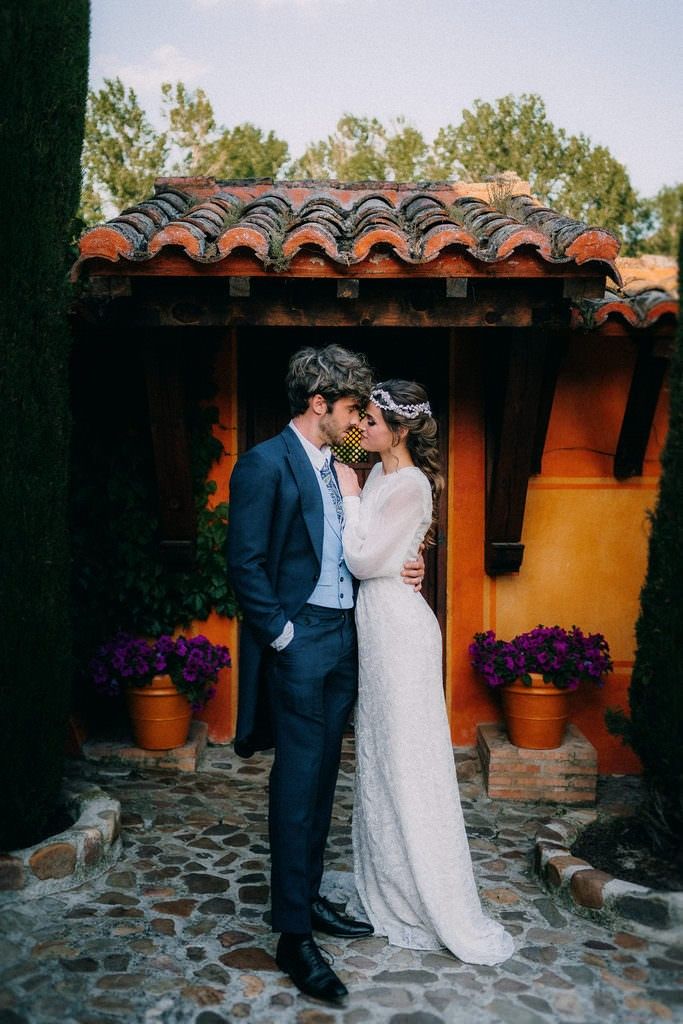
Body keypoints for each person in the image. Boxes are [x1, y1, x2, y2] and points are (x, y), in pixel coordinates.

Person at [227, 347, 426, 1005]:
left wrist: (409, 565)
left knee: (322, 782)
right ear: (319, 404)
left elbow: (384, 524)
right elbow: (246, 565)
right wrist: (283, 636)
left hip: (348, 641)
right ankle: (291, 935)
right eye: (348, 410)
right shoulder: (262, 464)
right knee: (296, 782)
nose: (355, 423)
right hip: (300, 640)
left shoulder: (347, 464)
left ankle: (308, 899)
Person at [335, 380, 514, 965]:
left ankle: (428, 893)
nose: (364, 428)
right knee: (382, 756)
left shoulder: (408, 483)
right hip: (380, 623)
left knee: (410, 758)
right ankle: (389, 883)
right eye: (362, 418)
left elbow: (361, 559)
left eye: (373, 420)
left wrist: (351, 493)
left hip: (400, 632)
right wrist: (360, 492)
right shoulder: (382, 475)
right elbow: (382, 552)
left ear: (401, 429)